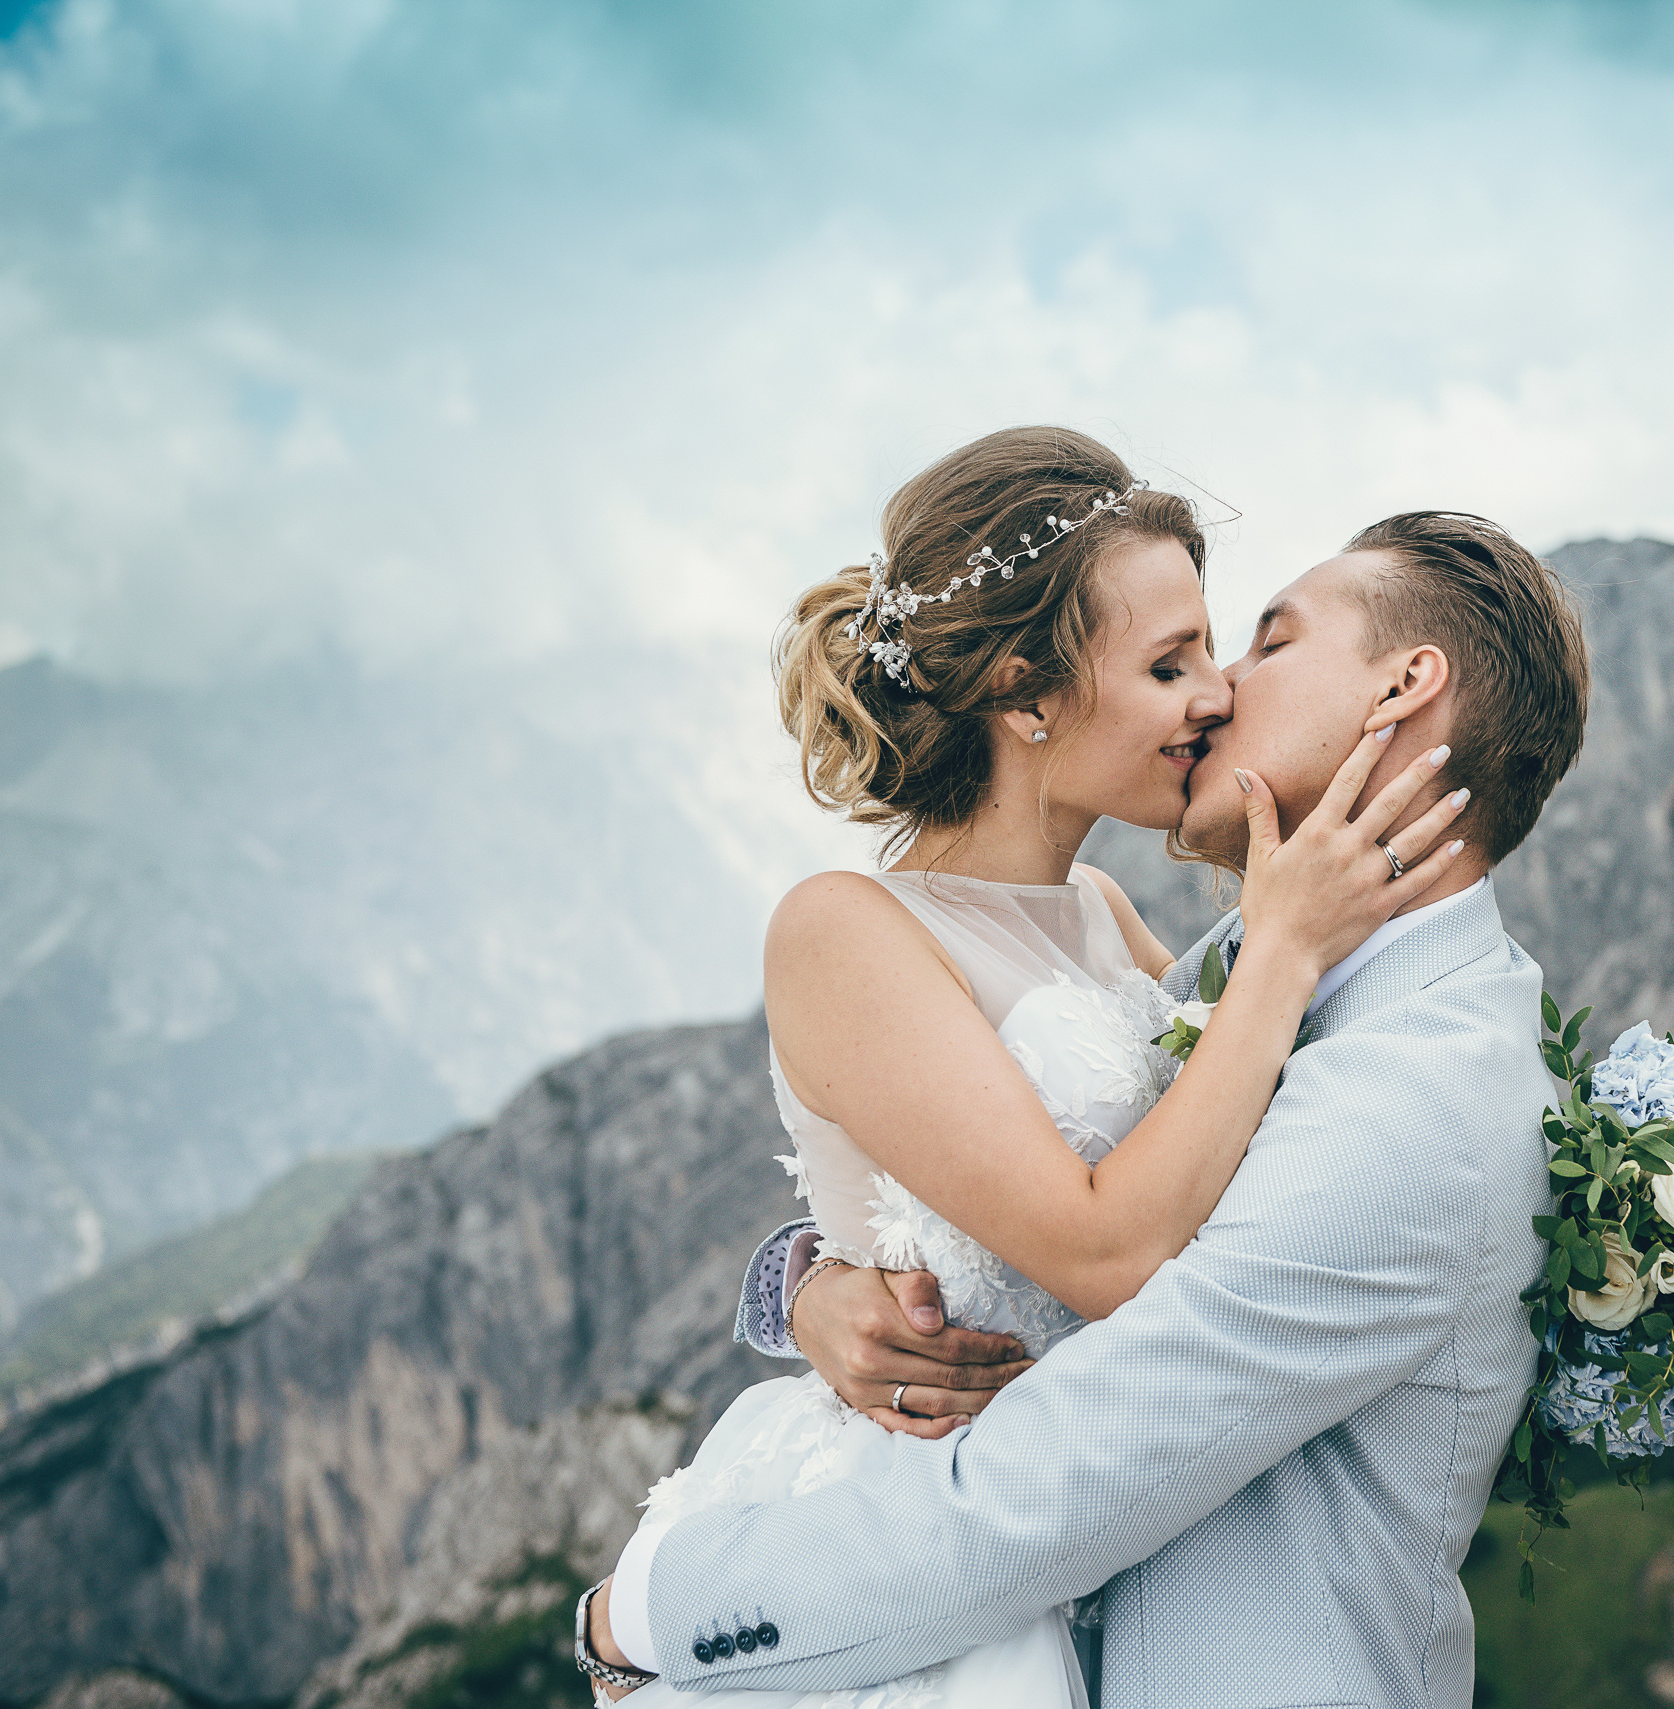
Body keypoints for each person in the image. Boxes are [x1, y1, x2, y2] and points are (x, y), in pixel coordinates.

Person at [589, 501, 1595, 1707]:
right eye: (1173, 664)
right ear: (1027, 695)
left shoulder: (1412, 1097)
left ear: (1403, 689)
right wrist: (810, 1279)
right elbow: (1008, 1172)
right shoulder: (1270, 967)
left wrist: (638, 1612)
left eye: (1262, 645)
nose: (1216, 693)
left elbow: (1051, 1471)